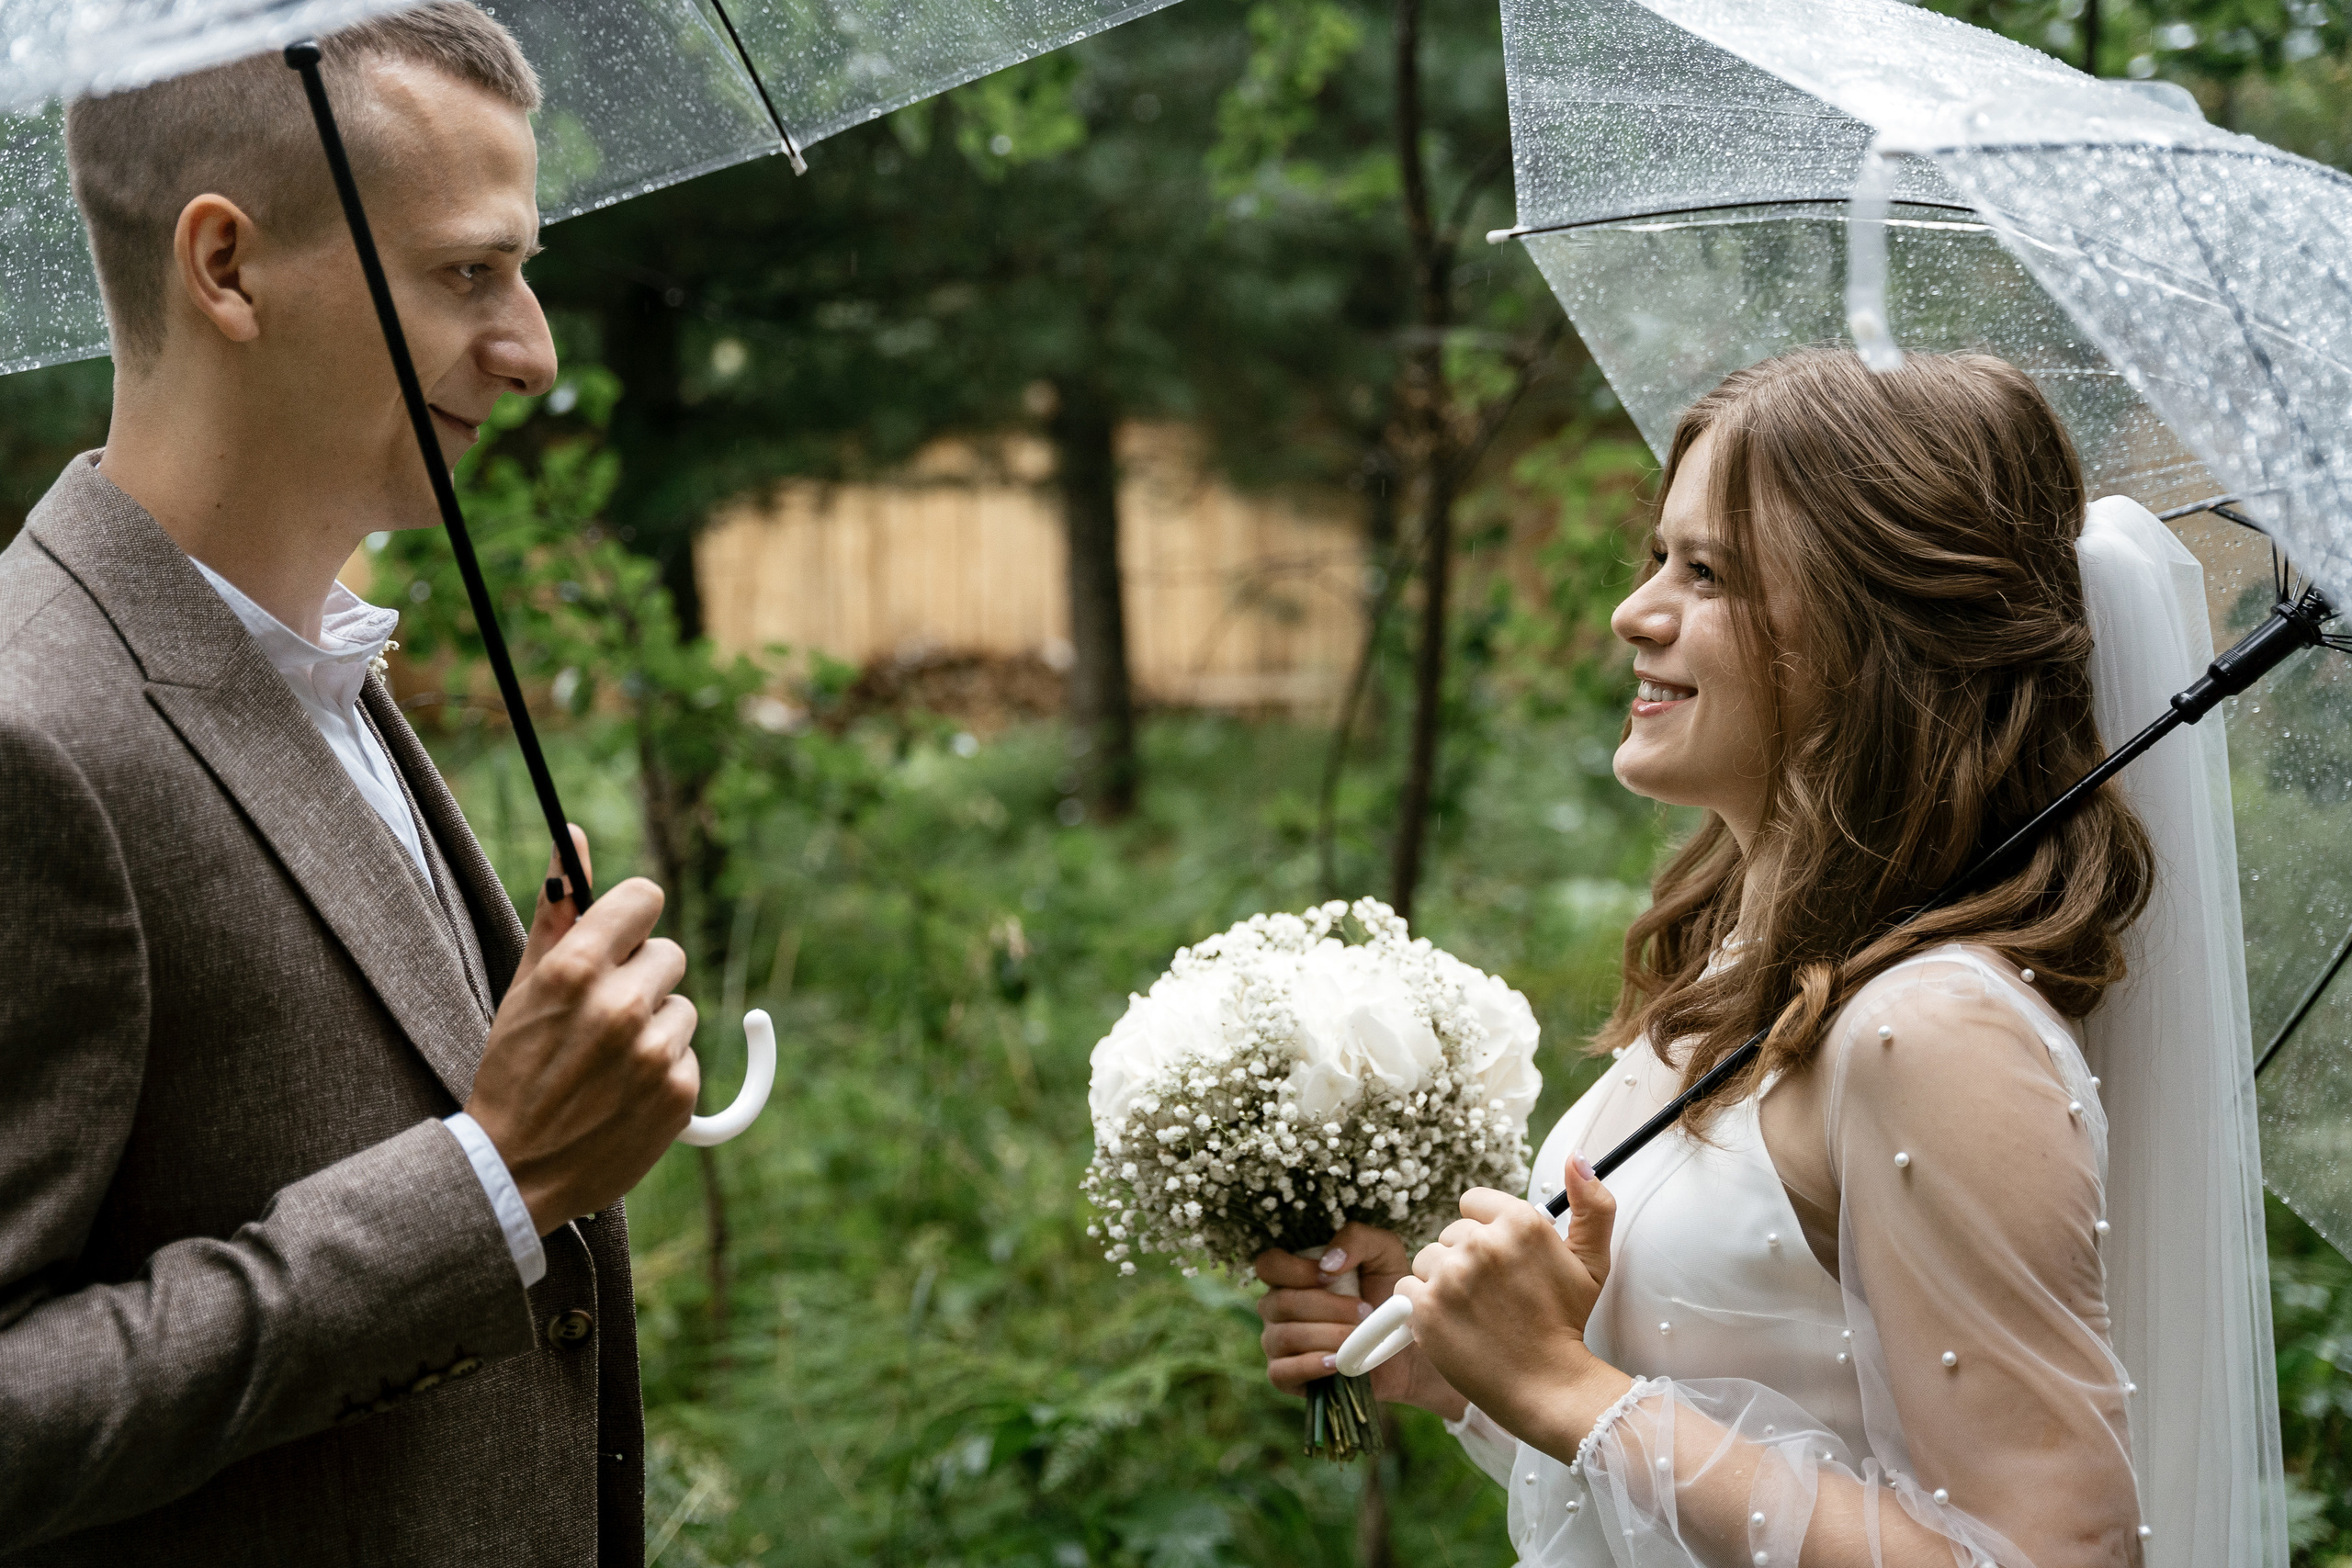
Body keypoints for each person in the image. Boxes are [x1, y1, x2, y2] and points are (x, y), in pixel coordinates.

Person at [1254, 348, 2285, 1565]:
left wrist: (1568, 1390)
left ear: (1874, 630)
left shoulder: (1933, 1030)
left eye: (1709, 573)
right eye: (1658, 558)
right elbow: (1740, 1420)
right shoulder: (1743, 967)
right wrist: (1469, 1365)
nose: (1635, 612)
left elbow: (2057, 1557)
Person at [0, 6, 698, 1562]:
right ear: (227, 266)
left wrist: (523, 1091)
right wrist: (490, 1180)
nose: (533, 351)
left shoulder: (321, 666)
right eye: (468, 274)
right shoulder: (28, 737)